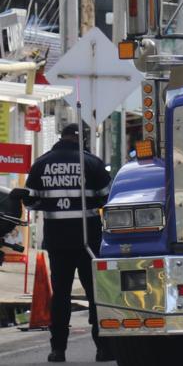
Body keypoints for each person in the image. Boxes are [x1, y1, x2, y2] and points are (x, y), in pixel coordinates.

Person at [9, 124, 113, 362]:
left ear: (60, 137)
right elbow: (108, 198)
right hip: (88, 241)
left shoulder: (42, 163)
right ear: (82, 139)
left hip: (58, 241)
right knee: (96, 295)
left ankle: (58, 350)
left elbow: (33, 203)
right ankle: (103, 349)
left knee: (61, 296)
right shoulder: (92, 163)